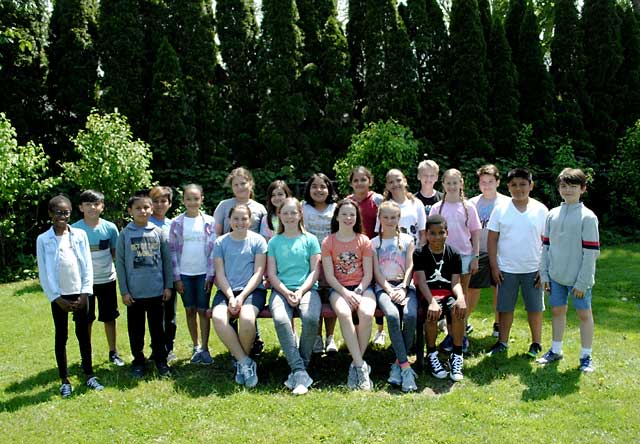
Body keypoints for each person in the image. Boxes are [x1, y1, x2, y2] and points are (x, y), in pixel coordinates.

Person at [37, 195, 104, 397]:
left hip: (80, 293)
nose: (62, 216)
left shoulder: (79, 235)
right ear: (50, 214)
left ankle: (89, 374)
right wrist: (57, 298)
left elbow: (87, 266)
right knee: (62, 336)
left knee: (84, 334)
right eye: (58, 212)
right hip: (59, 296)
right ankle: (64, 379)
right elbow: (43, 272)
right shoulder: (43, 240)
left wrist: (85, 293)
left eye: (65, 212)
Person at [537, 168, 600, 372]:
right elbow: (545, 247)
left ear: (583, 189)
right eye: (564, 186)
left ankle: (586, 356)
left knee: (584, 314)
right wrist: (544, 275)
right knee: (557, 311)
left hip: (578, 279)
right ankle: (556, 350)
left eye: (573, 186)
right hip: (556, 277)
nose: (568, 190)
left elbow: (591, 254)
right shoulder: (552, 214)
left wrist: (582, 282)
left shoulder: (588, 217)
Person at [486, 168, 549, 358]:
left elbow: (547, 242)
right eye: (514, 185)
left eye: (523, 184)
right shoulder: (501, 209)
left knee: (535, 308)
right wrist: (494, 267)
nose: (518, 188)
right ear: (508, 187)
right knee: (504, 307)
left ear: (531, 185)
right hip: (506, 269)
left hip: (533, 269)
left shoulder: (541, 209)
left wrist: (543, 269)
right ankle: (502, 342)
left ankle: (536, 343)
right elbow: (492, 239)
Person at [268, 198, 321, 395]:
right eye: (285, 213)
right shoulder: (274, 242)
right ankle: (300, 370)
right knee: (281, 319)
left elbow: (315, 271)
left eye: (293, 212)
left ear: (300, 214)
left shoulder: (310, 240)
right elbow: (272, 274)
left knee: (309, 318)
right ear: (279, 216)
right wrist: (285, 291)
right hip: (281, 291)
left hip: (307, 289)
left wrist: (300, 291)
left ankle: (299, 368)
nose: (289, 216)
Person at [116, 194, 173, 378]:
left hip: (156, 291)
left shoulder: (158, 232)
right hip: (134, 294)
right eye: (138, 208)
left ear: (151, 210)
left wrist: (167, 286)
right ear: (130, 211)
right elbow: (121, 265)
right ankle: (138, 360)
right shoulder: (125, 234)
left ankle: (161, 360)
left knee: (158, 329)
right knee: (136, 330)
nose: (143, 211)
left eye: (147, 207)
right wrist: (124, 291)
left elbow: (166, 262)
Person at [322, 199, 376, 390]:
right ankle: (361, 366)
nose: (348, 217)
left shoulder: (364, 240)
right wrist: (346, 293)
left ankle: (355, 364)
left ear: (356, 217)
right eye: (344, 214)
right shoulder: (328, 242)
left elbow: (368, 273)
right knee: (344, 314)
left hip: (363, 288)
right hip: (338, 289)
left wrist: (359, 291)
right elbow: (329, 276)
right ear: (337, 216)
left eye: (352, 214)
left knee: (367, 314)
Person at [212, 204, 267, 388]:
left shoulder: (258, 241)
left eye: (244, 218)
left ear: (250, 220)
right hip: (226, 291)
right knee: (218, 318)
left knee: (247, 318)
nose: (240, 222)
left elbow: (259, 273)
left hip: (252, 291)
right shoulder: (221, 242)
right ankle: (245, 362)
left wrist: (241, 297)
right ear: (229, 220)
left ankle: (241, 361)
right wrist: (230, 296)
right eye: (236, 218)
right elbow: (220, 274)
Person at [429, 169, 481, 352]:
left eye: (455, 183)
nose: (452, 186)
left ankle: (461, 336)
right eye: (448, 183)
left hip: (465, 257)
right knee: (446, 296)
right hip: (443, 259)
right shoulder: (437, 208)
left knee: (461, 296)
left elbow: (475, 234)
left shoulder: (468, 207)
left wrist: (475, 257)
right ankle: (451, 335)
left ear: (461, 184)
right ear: (442, 184)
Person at [72, 190, 124, 367]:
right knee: (85, 320)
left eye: (96, 204)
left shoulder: (110, 228)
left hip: (107, 280)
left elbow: (116, 254)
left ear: (102, 206)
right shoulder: (75, 229)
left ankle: (113, 352)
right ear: (80, 207)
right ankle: (85, 355)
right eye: (88, 204)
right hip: (83, 285)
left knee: (110, 318)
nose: (92, 208)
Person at [414, 214, 467, 382]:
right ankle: (432, 354)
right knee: (432, 314)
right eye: (433, 233)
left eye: (441, 233)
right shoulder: (420, 253)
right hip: (428, 294)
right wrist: (431, 302)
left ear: (447, 233)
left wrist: (460, 297)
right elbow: (421, 282)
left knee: (458, 310)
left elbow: (455, 283)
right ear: (427, 234)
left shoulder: (453, 253)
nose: (437, 237)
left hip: (447, 294)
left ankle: (457, 355)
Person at [371, 201, 418, 392]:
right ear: (380, 218)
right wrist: (389, 290)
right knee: (391, 315)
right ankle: (406, 368)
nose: (390, 221)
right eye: (386, 217)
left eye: (393, 217)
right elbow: (376, 272)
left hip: (405, 286)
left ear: (399, 219)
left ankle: (398, 364)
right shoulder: (374, 243)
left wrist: (404, 288)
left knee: (410, 315)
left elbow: (410, 266)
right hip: (384, 287)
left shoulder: (407, 240)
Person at [169, 184, 216, 365]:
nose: (192, 202)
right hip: (185, 274)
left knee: (203, 311)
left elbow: (213, 251)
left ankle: (205, 347)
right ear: (183, 201)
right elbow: (172, 252)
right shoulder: (176, 223)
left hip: (203, 274)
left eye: (196, 198)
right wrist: (177, 278)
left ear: (201, 199)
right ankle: (195, 345)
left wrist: (210, 276)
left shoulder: (209, 222)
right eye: (188, 198)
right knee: (190, 310)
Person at [468, 165, 510, 338]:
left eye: (490, 182)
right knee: (472, 290)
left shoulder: (507, 202)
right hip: (478, 252)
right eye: (483, 182)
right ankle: (462, 322)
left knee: (498, 290)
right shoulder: (471, 203)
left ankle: (499, 324)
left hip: (501, 254)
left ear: (498, 182)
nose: (486, 185)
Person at [346, 166, 386, 346]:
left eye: (363, 179)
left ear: (370, 181)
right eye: (356, 180)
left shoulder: (377, 199)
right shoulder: (347, 202)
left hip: (376, 250)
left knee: (377, 287)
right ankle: (355, 329)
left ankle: (380, 331)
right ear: (351, 183)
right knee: (356, 287)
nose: (360, 183)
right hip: (354, 252)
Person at [302, 173, 339, 354]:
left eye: (323, 186)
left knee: (330, 296)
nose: (319, 190)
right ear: (309, 189)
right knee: (314, 297)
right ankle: (316, 337)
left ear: (329, 189)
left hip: (332, 258)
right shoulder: (304, 208)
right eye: (314, 186)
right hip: (310, 259)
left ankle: (330, 337)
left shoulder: (335, 208)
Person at [149, 185, 178, 362]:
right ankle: (156, 349)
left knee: (170, 316)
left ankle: (169, 347)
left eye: (163, 201)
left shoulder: (173, 225)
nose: (159, 205)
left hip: (170, 276)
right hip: (151, 277)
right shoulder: (146, 223)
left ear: (169, 203)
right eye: (155, 201)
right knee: (155, 317)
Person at [379, 168, 426, 247]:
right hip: (393, 255)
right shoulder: (384, 207)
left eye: (398, 180)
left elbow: (423, 233)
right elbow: (381, 234)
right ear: (387, 186)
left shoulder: (417, 203)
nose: (395, 184)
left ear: (405, 181)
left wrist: (419, 253)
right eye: (391, 182)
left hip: (415, 253)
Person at [214, 167, 267, 236]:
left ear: (250, 183)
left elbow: (266, 234)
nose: (240, 187)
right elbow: (216, 234)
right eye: (236, 185)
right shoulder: (223, 205)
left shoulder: (260, 208)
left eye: (243, 183)